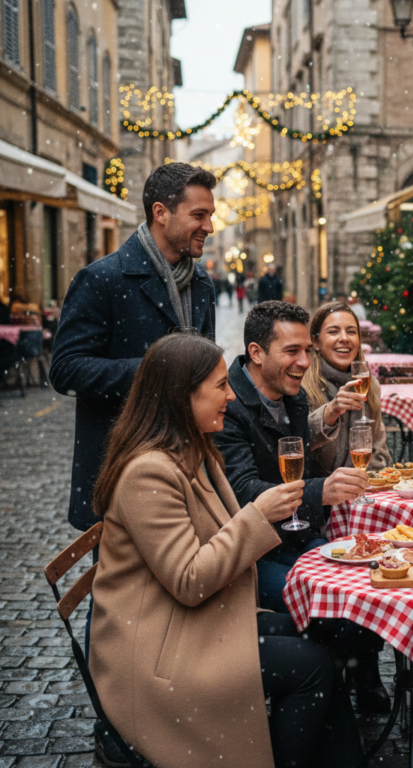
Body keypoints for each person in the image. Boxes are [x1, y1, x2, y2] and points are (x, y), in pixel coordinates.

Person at [89, 333, 362, 768]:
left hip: (191, 624)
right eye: (220, 386)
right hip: (159, 649)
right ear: (182, 396)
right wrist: (258, 514)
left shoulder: (191, 450)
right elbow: (189, 581)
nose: (231, 396)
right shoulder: (149, 473)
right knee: (311, 667)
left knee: (321, 640)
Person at [49, 162, 218, 764]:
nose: (209, 225)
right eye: (199, 214)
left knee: (175, 597)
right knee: (120, 606)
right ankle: (116, 728)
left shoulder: (204, 285)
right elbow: (65, 368)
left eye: (210, 213)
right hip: (119, 471)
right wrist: (151, 376)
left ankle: (168, 709)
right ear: (160, 213)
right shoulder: (102, 279)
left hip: (184, 472)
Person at [214, 300, 390, 713]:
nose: (303, 361)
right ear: (256, 354)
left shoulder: (291, 397)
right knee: (335, 603)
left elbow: (301, 472)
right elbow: (243, 493)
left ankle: (356, 682)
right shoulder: (231, 406)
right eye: (292, 351)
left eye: (305, 351)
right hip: (253, 556)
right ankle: (328, 698)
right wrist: (319, 492)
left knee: (366, 581)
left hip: (295, 535)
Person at [303, 300, 391, 476]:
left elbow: (379, 451)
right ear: (316, 341)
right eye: (333, 332)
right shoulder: (303, 386)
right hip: (319, 496)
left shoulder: (370, 385)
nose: (344, 338)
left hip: (361, 494)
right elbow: (298, 447)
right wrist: (328, 414)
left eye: (351, 332)